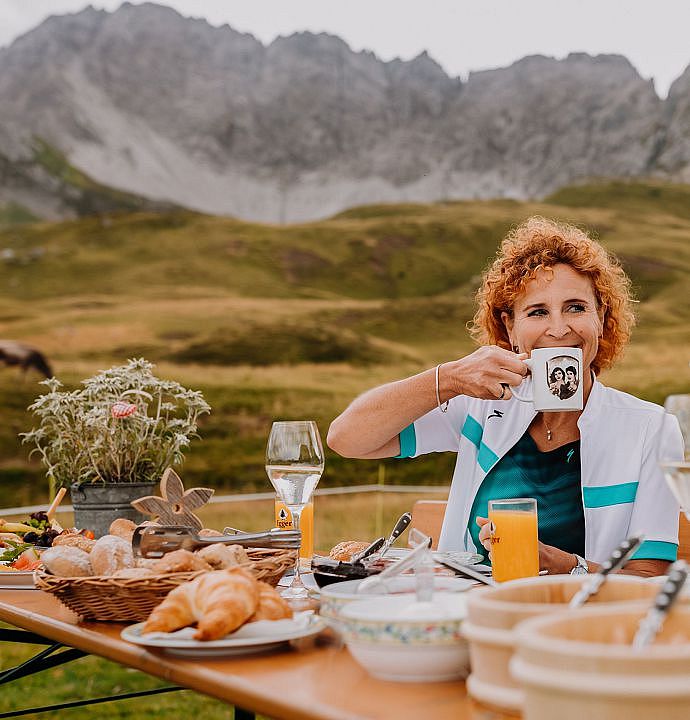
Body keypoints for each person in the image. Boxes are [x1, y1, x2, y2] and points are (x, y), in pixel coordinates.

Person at [328, 216, 683, 577]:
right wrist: (448, 378)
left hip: (577, 623)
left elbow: (648, 576)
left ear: (601, 317)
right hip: (466, 611)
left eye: (576, 307)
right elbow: (348, 439)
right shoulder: (480, 404)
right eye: (537, 312)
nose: (559, 329)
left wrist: (564, 566)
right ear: (510, 327)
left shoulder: (649, 428)